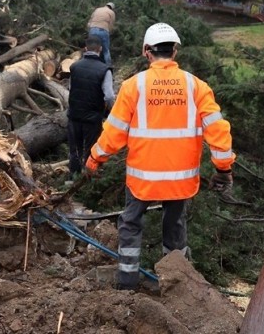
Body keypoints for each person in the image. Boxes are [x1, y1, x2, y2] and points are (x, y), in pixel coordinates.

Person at [85, 22, 234, 291]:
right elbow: (218, 129)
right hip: (181, 178)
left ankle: (126, 283)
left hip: (143, 178)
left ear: (146, 52)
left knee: (130, 224)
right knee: (175, 224)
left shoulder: (134, 86)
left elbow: (114, 132)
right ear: (175, 51)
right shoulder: (196, 86)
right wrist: (223, 168)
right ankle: (176, 284)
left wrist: (95, 158)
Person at [67, 36, 116, 179]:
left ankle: (73, 179)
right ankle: (87, 181)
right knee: (91, 151)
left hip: (74, 115)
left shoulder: (74, 67)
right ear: (100, 49)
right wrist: (110, 110)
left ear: (85, 48)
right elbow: (109, 96)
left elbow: (71, 88)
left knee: (74, 150)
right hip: (93, 117)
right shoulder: (105, 69)